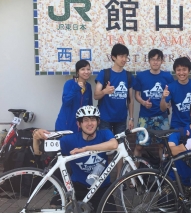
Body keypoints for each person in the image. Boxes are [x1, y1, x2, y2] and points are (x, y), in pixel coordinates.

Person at [33, 106, 117, 212]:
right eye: (85, 120)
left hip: (102, 188)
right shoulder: (69, 140)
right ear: (79, 124)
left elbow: (113, 144)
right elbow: (38, 152)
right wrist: (36, 137)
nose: (90, 123)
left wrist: (85, 149)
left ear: (98, 122)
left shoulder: (105, 134)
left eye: (93, 119)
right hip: (78, 188)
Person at [94, 43, 135, 177]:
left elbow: (130, 99)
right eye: (121, 56)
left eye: (126, 56)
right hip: (105, 117)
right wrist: (105, 91)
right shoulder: (104, 73)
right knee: (103, 148)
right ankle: (102, 177)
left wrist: (131, 118)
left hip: (121, 119)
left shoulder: (128, 76)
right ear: (113, 57)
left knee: (120, 148)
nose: (124, 59)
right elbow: (96, 95)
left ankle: (119, 178)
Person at [133, 49, 174, 161]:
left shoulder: (168, 77)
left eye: (158, 60)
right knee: (139, 146)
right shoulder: (141, 76)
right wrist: (143, 102)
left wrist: (168, 103)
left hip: (162, 117)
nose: (155, 62)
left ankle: (163, 175)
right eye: (153, 59)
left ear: (162, 61)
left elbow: (170, 96)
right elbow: (137, 95)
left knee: (163, 146)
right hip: (145, 117)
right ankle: (135, 176)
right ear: (149, 61)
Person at [160, 57, 191, 129]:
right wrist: (163, 98)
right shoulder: (170, 87)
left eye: (184, 69)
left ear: (189, 71)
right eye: (178, 70)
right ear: (175, 71)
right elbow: (162, 109)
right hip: (177, 125)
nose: (181, 73)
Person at [55, 60, 92, 134]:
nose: (86, 72)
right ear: (77, 72)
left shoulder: (88, 86)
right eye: (83, 69)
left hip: (81, 127)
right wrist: (76, 88)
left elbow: (89, 106)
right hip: (65, 125)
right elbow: (66, 102)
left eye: (88, 69)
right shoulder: (69, 83)